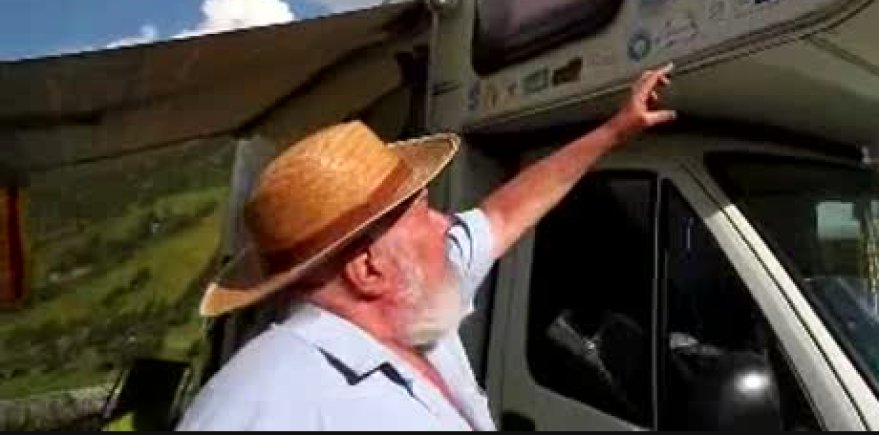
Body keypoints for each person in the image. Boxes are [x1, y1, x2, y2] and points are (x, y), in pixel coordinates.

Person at [176, 64, 676, 430]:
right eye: (424, 215)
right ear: (368, 269)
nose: (446, 225)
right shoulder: (259, 406)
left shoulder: (412, 298)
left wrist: (615, 130)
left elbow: (505, 212)